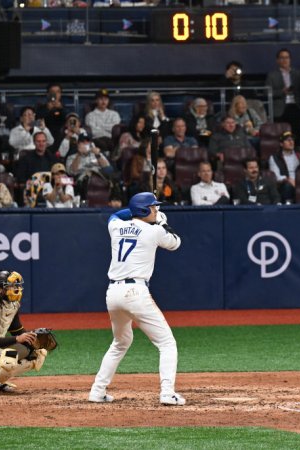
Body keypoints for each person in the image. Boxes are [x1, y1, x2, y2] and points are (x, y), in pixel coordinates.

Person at [89, 192, 185, 406]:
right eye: (152, 207)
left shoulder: (115, 227)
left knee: (120, 341)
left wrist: (140, 212)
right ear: (143, 210)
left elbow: (115, 215)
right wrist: (163, 222)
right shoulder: (154, 231)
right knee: (167, 343)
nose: (156, 210)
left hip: (113, 294)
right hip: (135, 292)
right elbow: (176, 243)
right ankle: (167, 393)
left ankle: (97, 390)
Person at [265, 48, 300, 146]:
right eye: (282, 58)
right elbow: (267, 92)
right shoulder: (272, 75)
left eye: (287, 57)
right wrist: (282, 92)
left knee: (296, 135)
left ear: (290, 59)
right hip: (280, 109)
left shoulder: (298, 74)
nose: (285, 60)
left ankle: (297, 156)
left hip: (296, 107)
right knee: (281, 137)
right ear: (277, 60)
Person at [268, 131, 300, 204]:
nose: (291, 142)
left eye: (292, 140)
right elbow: (276, 176)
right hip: (285, 184)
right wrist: (288, 180)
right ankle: (288, 204)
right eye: (288, 140)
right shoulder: (274, 157)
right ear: (281, 144)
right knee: (287, 186)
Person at [85, 88, 121, 155]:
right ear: (96, 100)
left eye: (106, 99)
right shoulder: (90, 115)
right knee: (102, 143)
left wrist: (100, 126)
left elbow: (114, 128)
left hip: (111, 140)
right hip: (97, 140)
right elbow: (92, 131)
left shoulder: (114, 114)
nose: (104, 101)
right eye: (101, 99)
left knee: (112, 143)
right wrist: (107, 127)